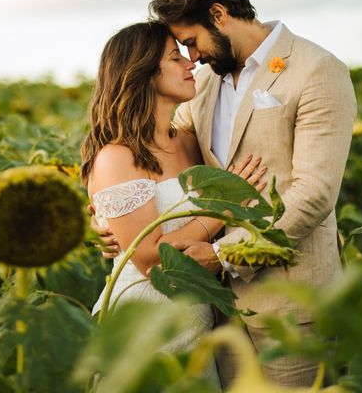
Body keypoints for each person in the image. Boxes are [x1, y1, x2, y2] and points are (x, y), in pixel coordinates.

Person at [98, 0, 356, 388]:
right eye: (181, 50)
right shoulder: (203, 84)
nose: (192, 57)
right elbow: (150, 156)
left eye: (191, 42)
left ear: (218, 14)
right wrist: (111, 218)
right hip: (217, 310)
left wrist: (223, 256)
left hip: (291, 304)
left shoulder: (316, 70)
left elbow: (312, 195)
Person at [80, 21, 266, 386]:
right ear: (145, 73)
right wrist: (227, 207)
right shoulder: (116, 157)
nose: (190, 64)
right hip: (144, 324)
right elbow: (152, 261)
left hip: (198, 323)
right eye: (174, 57)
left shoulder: (188, 141)